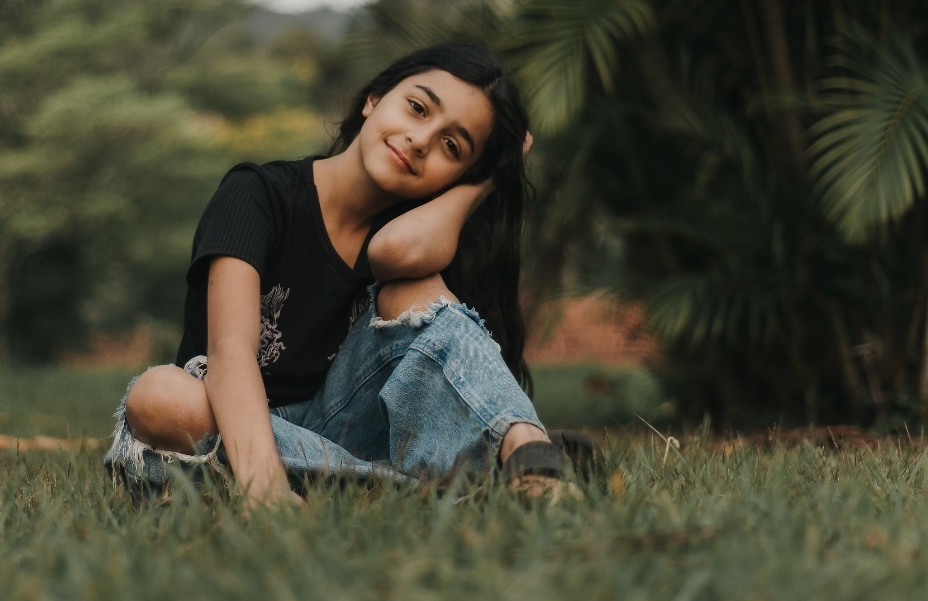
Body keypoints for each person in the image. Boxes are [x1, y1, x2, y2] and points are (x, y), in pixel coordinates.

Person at [104, 42, 595, 506]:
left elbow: (395, 252)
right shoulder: (258, 194)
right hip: (221, 423)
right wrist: (265, 488)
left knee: (416, 290)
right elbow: (230, 353)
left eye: (453, 146)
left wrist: (488, 179)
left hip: (342, 429)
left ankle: (528, 452)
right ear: (373, 99)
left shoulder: (418, 240)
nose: (420, 141)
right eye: (418, 109)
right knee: (160, 396)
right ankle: (420, 486)